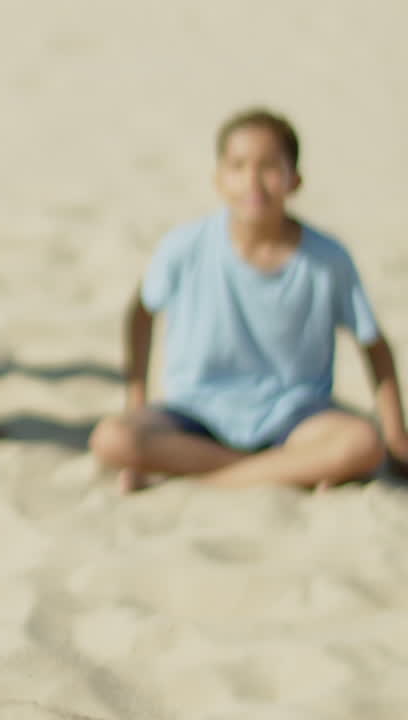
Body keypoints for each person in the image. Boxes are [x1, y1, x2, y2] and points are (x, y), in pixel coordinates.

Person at [89, 108, 408, 492]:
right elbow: (141, 314)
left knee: (363, 444)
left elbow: (373, 344)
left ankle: (220, 479)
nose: (253, 181)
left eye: (270, 166)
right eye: (238, 166)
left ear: (296, 180)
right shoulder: (184, 248)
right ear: (218, 179)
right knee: (111, 439)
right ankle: (277, 471)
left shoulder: (327, 260)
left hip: (295, 417)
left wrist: (396, 437)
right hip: (196, 412)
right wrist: (136, 404)